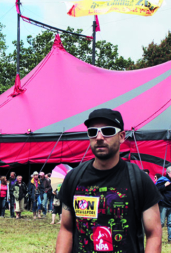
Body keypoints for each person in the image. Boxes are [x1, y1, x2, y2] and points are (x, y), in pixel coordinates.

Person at [56, 108, 162, 253]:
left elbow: (154, 235)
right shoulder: (74, 178)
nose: (99, 137)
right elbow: (66, 229)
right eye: (93, 132)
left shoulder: (140, 180)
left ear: (122, 136)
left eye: (108, 131)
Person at [155, 166, 171, 245]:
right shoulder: (162, 180)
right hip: (163, 205)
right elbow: (156, 189)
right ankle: (156, 239)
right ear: (168, 173)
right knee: (161, 223)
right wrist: (164, 185)